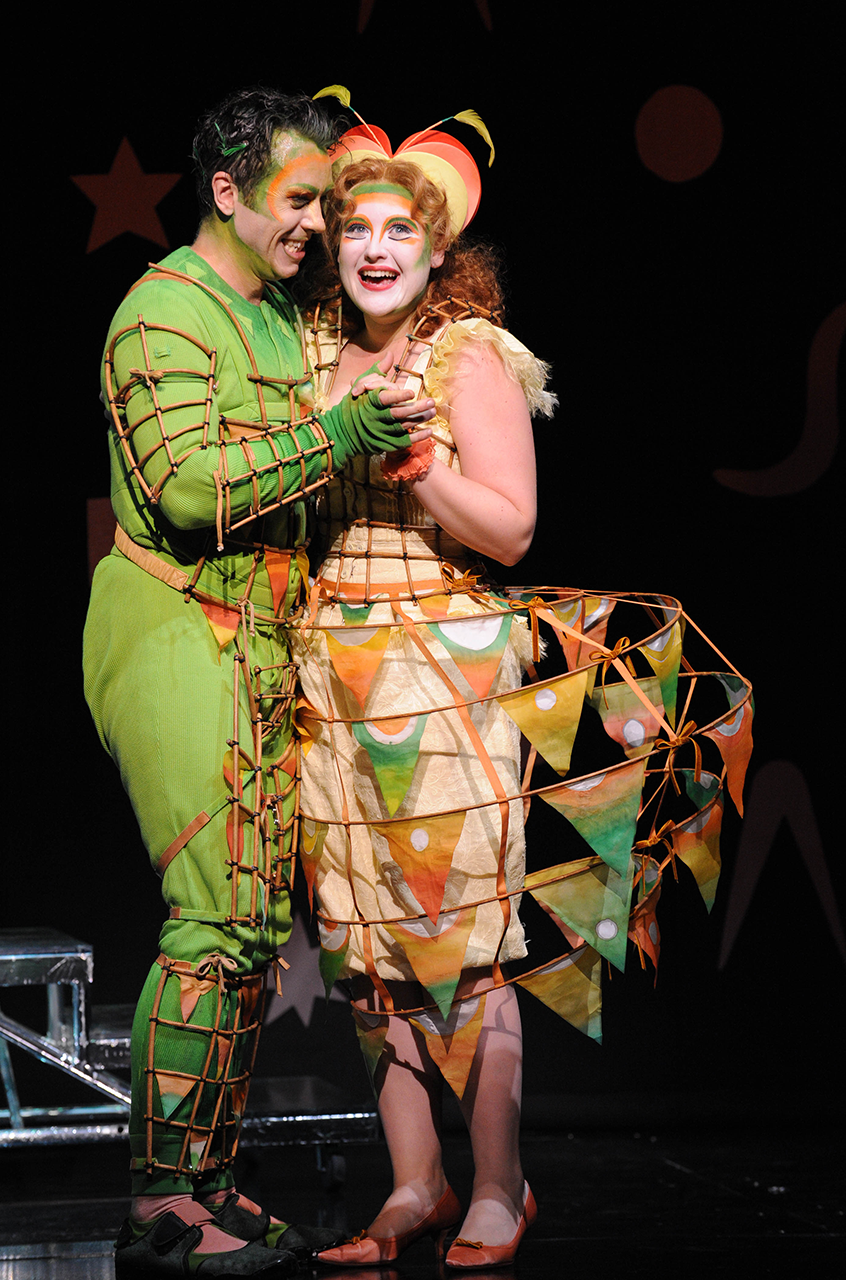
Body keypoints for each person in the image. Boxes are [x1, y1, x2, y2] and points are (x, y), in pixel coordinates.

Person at [83, 87, 435, 1280]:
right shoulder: (161, 314)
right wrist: (342, 441)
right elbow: (187, 488)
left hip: (267, 639)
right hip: (176, 625)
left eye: (321, 204)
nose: (316, 226)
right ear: (226, 194)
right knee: (213, 919)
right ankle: (157, 1197)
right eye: (299, 201)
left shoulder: (292, 316)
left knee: (250, 926)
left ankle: (208, 1176)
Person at [293, 114, 555, 1269]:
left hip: (440, 670)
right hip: (328, 679)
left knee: (463, 942)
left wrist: (426, 468)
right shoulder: (306, 355)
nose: (376, 247)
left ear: (438, 248)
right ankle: (414, 1181)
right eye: (356, 227)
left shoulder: (469, 355)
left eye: (401, 228)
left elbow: (510, 525)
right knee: (359, 946)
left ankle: (499, 1181)